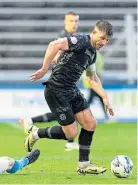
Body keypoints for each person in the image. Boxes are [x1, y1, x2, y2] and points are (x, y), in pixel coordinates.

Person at [24, 20, 114, 175]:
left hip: (71, 89)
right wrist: (44, 68)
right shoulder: (80, 41)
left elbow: (92, 78)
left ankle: (83, 165)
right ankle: (37, 134)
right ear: (94, 32)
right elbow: (55, 44)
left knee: (90, 124)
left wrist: (105, 98)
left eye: (107, 40)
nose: (104, 42)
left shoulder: (92, 54)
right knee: (71, 133)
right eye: (102, 37)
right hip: (56, 89)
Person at [20, 11, 79, 151]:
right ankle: (34, 124)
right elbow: (54, 57)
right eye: (71, 21)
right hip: (60, 83)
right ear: (65, 22)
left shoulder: (73, 37)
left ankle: (31, 121)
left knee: (68, 113)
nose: (74, 24)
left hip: (66, 82)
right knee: (69, 113)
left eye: (76, 21)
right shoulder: (63, 37)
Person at [83, 51, 110, 122]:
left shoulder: (93, 55)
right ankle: (82, 116)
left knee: (90, 101)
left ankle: (83, 116)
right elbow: (94, 70)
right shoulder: (95, 56)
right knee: (94, 100)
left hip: (92, 83)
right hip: (93, 83)